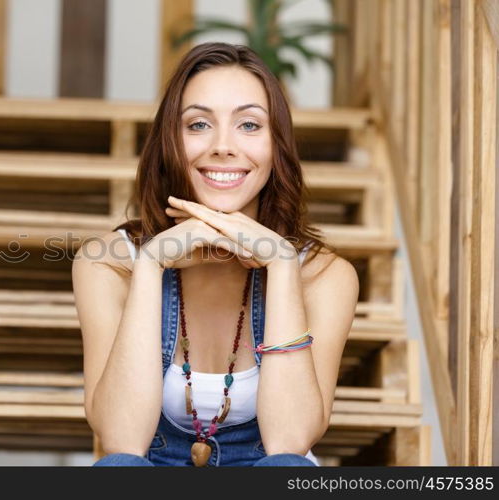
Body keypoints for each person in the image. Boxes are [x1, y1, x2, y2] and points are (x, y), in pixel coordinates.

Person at [72, 42, 359, 467]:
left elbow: (290, 441)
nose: (223, 146)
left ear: (276, 145)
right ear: (171, 139)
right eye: (199, 124)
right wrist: (150, 265)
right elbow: (121, 439)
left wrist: (281, 264)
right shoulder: (108, 263)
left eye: (248, 125)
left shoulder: (325, 275)